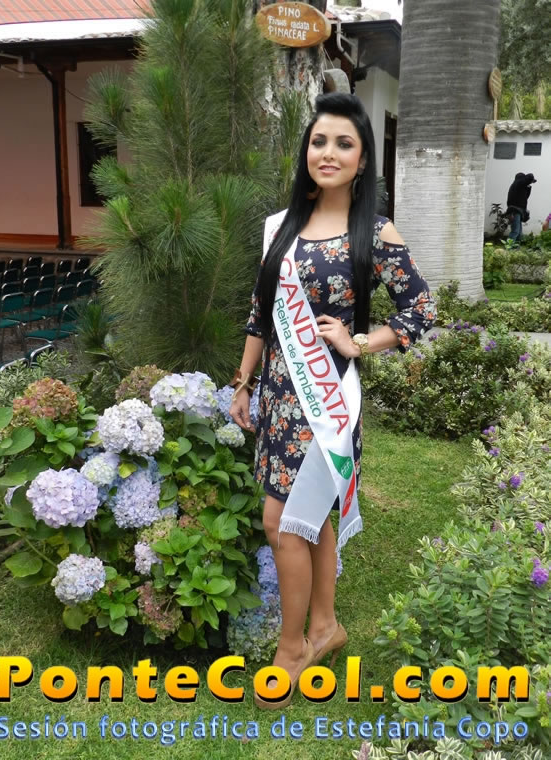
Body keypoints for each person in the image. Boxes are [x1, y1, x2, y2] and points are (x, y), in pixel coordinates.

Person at [229, 93, 436, 709]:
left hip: (328, 404)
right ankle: (325, 626)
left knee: (280, 522)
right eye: (319, 141)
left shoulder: (374, 232)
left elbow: (421, 308)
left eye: (344, 143)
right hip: (279, 396)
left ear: (362, 158)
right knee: (311, 516)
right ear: (306, 151)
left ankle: (291, 648)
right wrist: (244, 381)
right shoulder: (282, 227)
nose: (328, 152)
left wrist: (360, 341)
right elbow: (261, 311)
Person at [506, 172, 537, 242]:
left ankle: (516, 247)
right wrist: (530, 179)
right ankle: (508, 246)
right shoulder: (518, 183)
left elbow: (525, 197)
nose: (530, 183)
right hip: (514, 210)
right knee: (515, 231)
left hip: (518, 210)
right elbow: (530, 176)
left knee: (519, 233)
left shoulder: (518, 187)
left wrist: (528, 187)